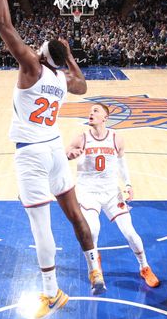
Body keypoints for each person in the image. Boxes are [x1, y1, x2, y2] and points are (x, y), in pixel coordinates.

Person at [0, 0, 103, 319]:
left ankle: (50, 292)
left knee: (41, 225)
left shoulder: (33, 67)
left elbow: (3, 26)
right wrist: (69, 56)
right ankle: (93, 265)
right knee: (73, 214)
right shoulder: (61, 78)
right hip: (55, 150)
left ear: (40, 52)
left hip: (32, 155)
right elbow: (84, 85)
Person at [65, 103, 160, 288]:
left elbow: (122, 163)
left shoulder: (116, 138)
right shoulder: (81, 137)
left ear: (105, 118)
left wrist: (128, 184)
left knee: (130, 233)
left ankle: (144, 267)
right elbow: (64, 154)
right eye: (90, 111)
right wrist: (70, 155)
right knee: (92, 230)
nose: (91, 113)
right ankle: (95, 265)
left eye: (96, 111)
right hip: (87, 192)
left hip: (111, 192)